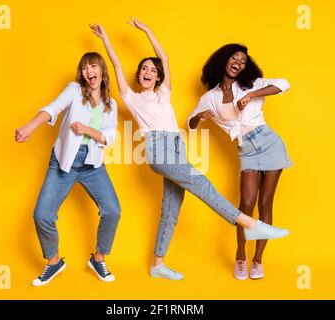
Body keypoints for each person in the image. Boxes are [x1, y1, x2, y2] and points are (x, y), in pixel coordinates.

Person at [91, 19, 289, 281]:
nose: (147, 72)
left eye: (152, 69)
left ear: (158, 76)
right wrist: (105, 39)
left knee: (171, 210)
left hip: (177, 149)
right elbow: (116, 65)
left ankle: (158, 264)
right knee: (202, 183)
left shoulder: (164, 93)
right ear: (138, 76)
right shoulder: (132, 98)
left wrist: (148, 31)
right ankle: (248, 223)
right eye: (143, 69)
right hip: (158, 150)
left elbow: (165, 58)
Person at [15, 52, 121, 285]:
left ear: (102, 71)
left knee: (112, 210)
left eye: (93, 67)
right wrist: (30, 126)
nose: (88, 72)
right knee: (42, 214)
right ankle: (54, 263)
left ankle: (98, 258)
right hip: (63, 163)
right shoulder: (74, 90)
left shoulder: (110, 105)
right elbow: (52, 109)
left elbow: (110, 137)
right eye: (84, 69)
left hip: (92, 165)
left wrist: (87, 130)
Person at [188, 44, 292, 280]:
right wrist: (199, 117)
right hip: (246, 150)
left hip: (269, 143)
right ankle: (240, 256)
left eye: (243, 61)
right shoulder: (210, 97)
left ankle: (257, 261)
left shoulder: (252, 84)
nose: (239, 63)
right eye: (234, 58)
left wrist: (252, 94)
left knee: (265, 203)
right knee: (246, 203)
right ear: (224, 61)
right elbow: (189, 124)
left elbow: (285, 84)